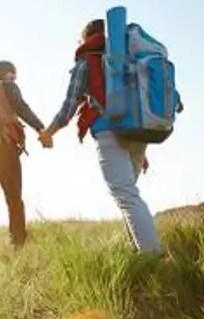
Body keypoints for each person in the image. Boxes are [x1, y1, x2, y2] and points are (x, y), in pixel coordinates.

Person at [38, 19, 164, 255]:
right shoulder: (129, 59)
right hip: (138, 133)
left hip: (109, 131)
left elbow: (69, 106)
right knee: (129, 196)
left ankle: (152, 256)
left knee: (126, 196)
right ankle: (139, 251)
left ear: (85, 37)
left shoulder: (88, 60)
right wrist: (141, 150)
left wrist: (49, 132)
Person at [0, 60, 46, 254]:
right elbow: (21, 107)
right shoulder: (6, 86)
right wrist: (41, 128)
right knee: (14, 198)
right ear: (6, 74)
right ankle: (18, 244)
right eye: (13, 75)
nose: (14, 79)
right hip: (4, 148)